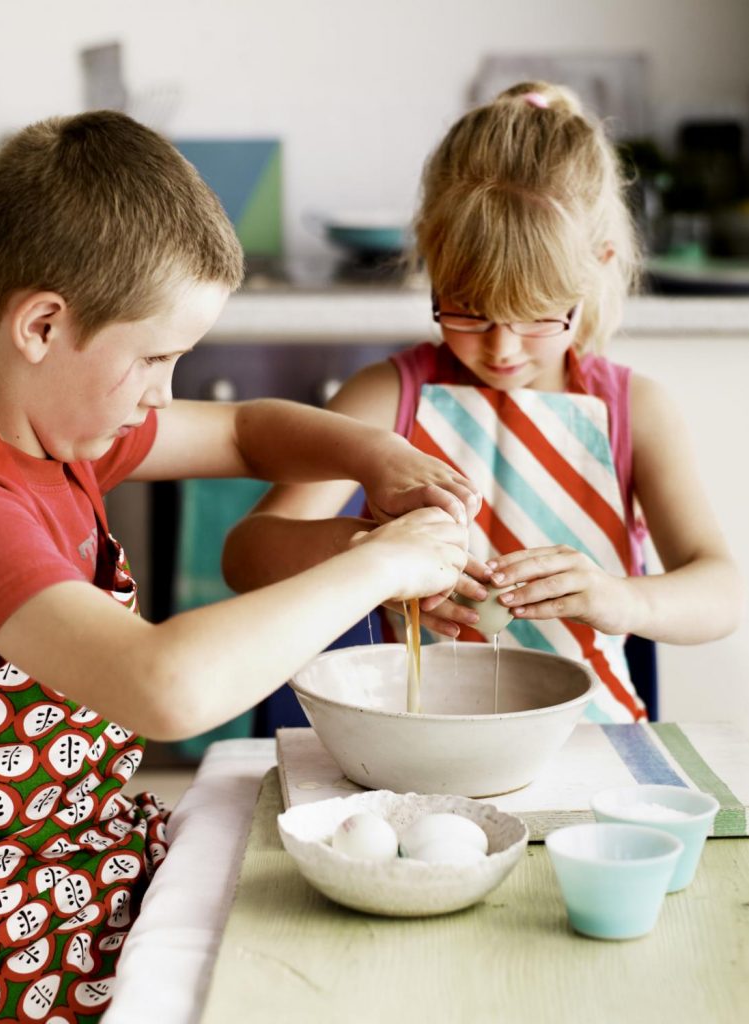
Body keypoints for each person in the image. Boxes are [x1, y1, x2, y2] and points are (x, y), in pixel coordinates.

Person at [0, 110, 476, 1018]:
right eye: (155, 358)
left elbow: (248, 428)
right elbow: (162, 686)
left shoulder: (58, 439)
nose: (164, 394)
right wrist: (378, 567)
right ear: (42, 325)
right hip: (17, 943)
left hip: (92, 859)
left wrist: (376, 457)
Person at [224, 80, 742, 726]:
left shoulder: (634, 410)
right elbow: (246, 553)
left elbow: (720, 591)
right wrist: (377, 561)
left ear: (597, 266)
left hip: (591, 745)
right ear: (431, 263)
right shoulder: (390, 397)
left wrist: (621, 601)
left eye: (532, 317)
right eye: (466, 313)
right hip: (416, 739)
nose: (499, 348)